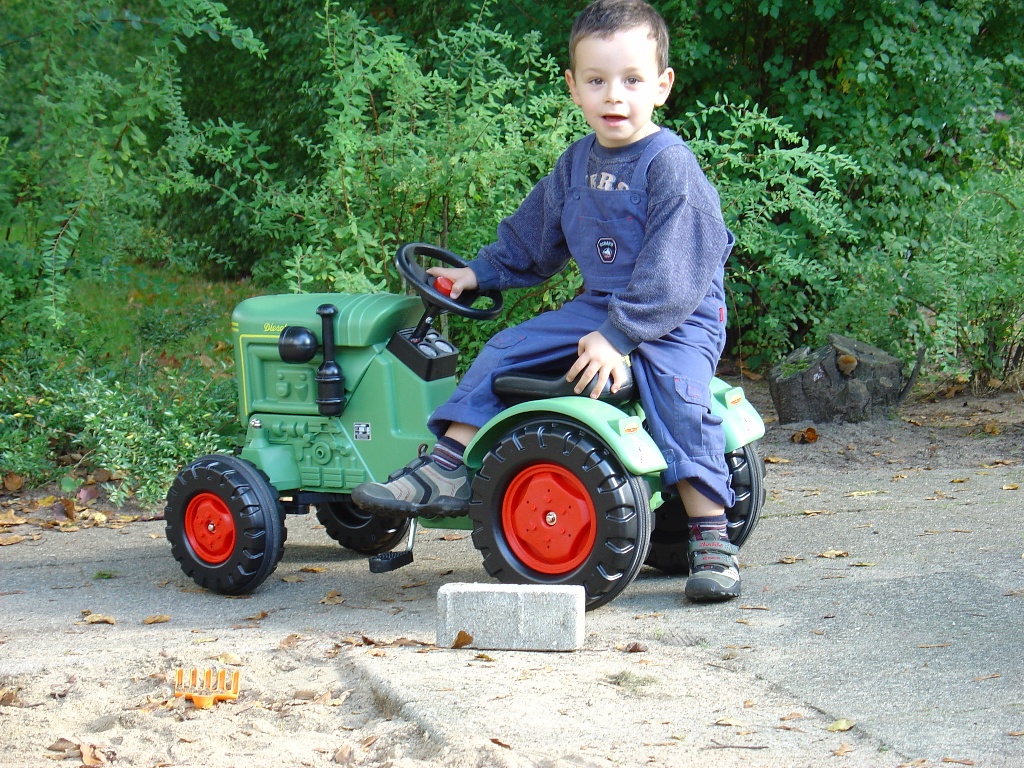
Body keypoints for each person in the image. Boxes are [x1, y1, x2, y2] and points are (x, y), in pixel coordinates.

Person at [353, 0, 740, 602]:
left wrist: (619, 337)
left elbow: (676, 268)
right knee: (507, 348)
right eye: (597, 80)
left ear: (662, 86)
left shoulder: (670, 167)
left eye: (632, 80)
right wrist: (478, 273)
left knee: (679, 397)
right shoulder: (575, 165)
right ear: (573, 87)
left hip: (678, 313)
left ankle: (712, 538)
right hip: (603, 306)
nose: (614, 96)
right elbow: (532, 240)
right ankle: (448, 465)